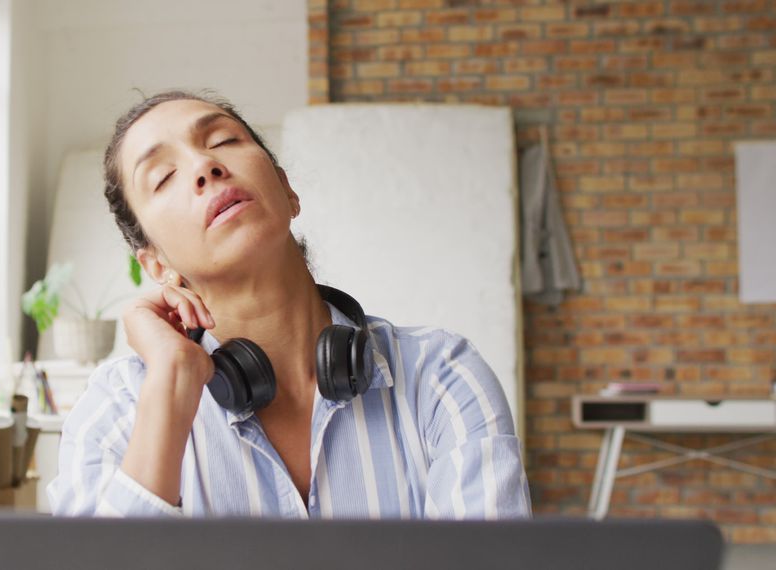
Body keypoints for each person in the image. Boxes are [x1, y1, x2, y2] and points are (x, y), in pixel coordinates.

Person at [47, 90, 531, 518]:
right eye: (163, 175)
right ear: (156, 265)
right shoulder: (115, 410)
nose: (204, 167)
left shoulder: (440, 375)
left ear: (287, 189)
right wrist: (171, 382)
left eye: (222, 142)